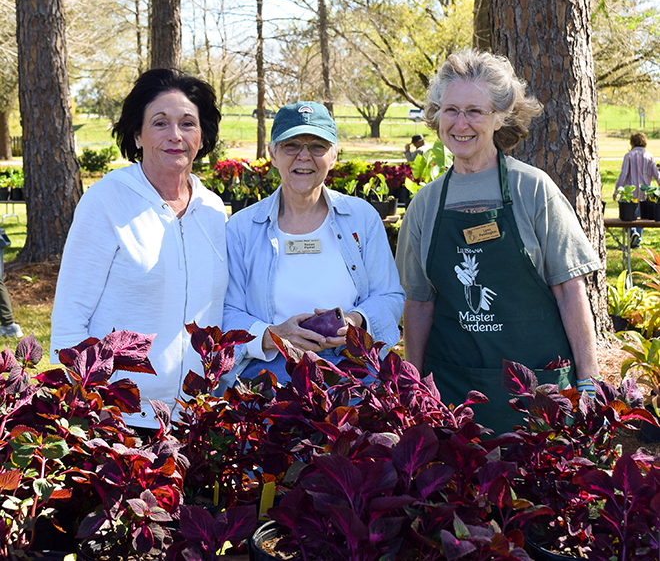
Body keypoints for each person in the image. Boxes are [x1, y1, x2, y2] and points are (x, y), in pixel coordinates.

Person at [395, 50, 601, 434]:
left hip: (537, 394)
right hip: (454, 396)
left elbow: (570, 290)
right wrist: (414, 381)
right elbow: (419, 303)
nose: (461, 123)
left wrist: (589, 381)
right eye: (451, 110)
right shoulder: (424, 205)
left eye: (475, 111)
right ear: (437, 115)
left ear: (499, 117)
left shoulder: (533, 189)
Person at [51, 69, 228, 430]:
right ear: (137, 133)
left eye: (188, 123)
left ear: (202, 135)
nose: (175, 136)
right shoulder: (106, 201)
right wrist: (87, 405)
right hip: (120, 417)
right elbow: (70, 319)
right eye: (160, 123)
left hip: (198, 416)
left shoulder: (212, 208)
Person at [223, 101, 405, 385]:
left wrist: (356, 321)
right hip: (273, 373)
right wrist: (274, 335)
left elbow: (390, 297)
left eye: (317, 146)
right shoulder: (241, 228)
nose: (304, 156)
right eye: (291, 145)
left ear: (333, 155)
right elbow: (227, 312)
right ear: (272, 153)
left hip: (352, 369)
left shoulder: (362, 218)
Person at [613, 132, 660, 248]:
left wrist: (617, 190)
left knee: (629, 215)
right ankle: (637, 238)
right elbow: (656, 174)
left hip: (631, 191)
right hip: (645, 191)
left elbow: (624, 175)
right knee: (642, 215)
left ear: (632, 142)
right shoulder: (649, 156)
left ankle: (632, 233)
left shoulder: (629, 156)